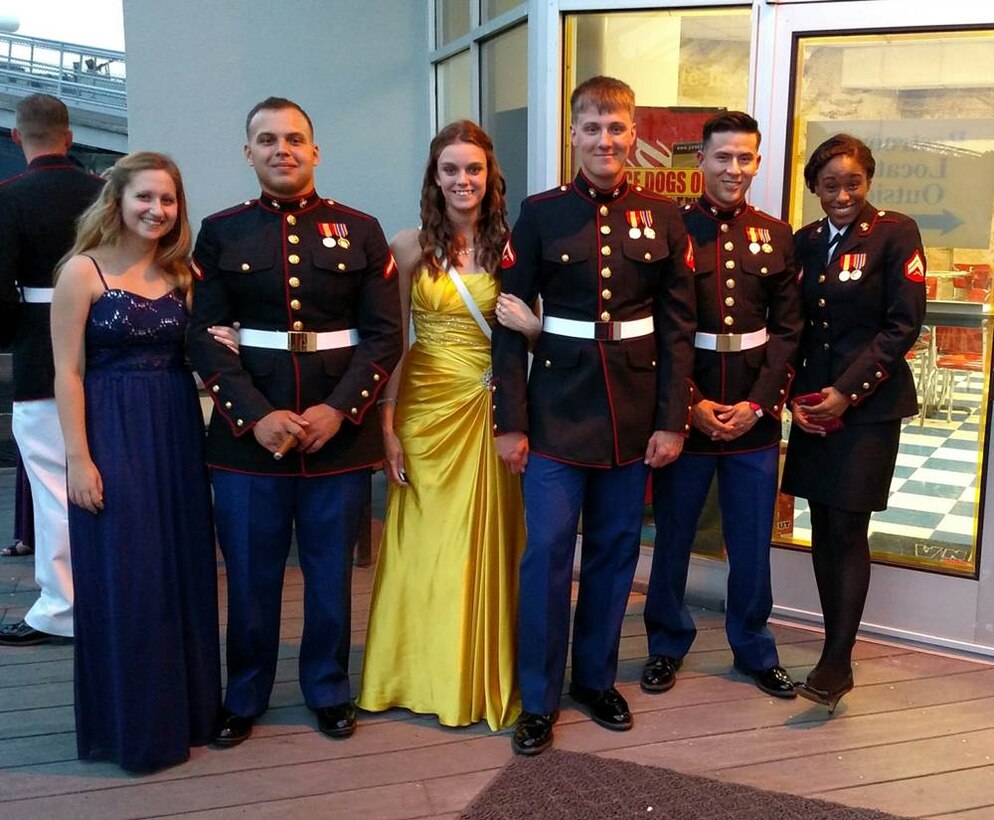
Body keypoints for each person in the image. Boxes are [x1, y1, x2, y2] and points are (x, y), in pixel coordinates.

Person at [187, 97, 402, 746]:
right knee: (251, 578)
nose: (283, 149)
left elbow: (384, 335)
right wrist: (255, 417)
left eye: (295, 139)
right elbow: (201, 334)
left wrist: (339, 410)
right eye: (267, 139)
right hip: (251, 441)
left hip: (337, 435)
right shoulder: (222, 231)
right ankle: (244, 694)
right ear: (248, 153)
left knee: (331, 576)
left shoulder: (360, 230)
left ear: (315, 151)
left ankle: (328, 690)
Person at [492, 75, 696, 755]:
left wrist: (672, 421)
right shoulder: (542, 212)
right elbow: (505, 322)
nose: (604, 140)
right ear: (573, 134)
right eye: (592, 127)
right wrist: (511, 422)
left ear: (633, 136)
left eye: (616, 128)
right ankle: (540, 697)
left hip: (633, 417)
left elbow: (676, 329)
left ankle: (595, 680)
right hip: (554, 414)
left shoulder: (664, 217)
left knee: (613, 556)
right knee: (547, 554)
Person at [357, 121, 539, 731]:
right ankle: (414, 672)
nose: (463, 180)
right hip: (424, 409)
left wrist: (534, 334)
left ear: (491, 178)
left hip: (491, 409)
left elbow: (540, 334)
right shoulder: (409, 247)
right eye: (451, 170)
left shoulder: (514, 246)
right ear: (434, 179)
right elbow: (389, 342)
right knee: (426, 546)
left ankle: (480, 672)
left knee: (484, 542)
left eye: (474, 169)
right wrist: (386, 423)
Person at [50, 151, 221, 772]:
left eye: (168, 200)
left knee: (181, 570)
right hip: (112, 432)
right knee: (129, 575)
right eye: (145, 197)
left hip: (175, 431)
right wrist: (78, 458)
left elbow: (200, 350)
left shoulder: (183, 275)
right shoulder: (83, 272)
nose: (157, 210)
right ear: (116, 200)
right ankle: (135, 728)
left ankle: (192, 715)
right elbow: (66, 371)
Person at [641, 112, 802, 700]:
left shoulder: (776, 233)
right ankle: (664, 642)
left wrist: (760, 405)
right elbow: (658, 329)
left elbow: (789, 331)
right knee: (675, 535)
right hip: (688, 410)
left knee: (751, 538)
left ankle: (754, 647)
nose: (734, 169)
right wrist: (691, 403)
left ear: (756, 163)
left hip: (754, 416)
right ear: (701, 161)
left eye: (745, 158)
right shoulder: (671, 227)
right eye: (723, 157)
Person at [782, 134, 926, 712]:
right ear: (814, 186)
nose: (841, 194)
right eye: (830, 184)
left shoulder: (896, 232)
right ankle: (831, 650)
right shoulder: (806, 241)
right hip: (816, 407)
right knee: (823, 526)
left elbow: (902, 325)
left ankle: (838, 661)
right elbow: (794, 325)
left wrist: (846, 393)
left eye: (853, 183)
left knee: (848, 527)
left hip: (867, 410)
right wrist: (797, 395)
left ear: (867, 182)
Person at [0, 94, 103, 646]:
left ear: (17, 138)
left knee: (52, 485)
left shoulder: (9, 197)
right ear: (69, 135)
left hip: (42, 354)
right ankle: (113, 592)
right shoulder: (104, 192)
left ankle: (63, 606)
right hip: (111, 350)